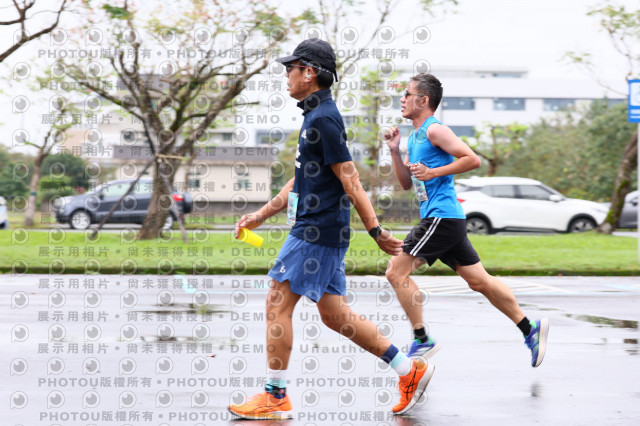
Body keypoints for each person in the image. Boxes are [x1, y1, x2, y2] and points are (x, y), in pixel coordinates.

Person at [227, 39, 432, 420]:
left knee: (276, 303)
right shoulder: (314, 117)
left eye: (291, 68)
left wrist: (375, 230)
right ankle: (409, 369)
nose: (286, 75)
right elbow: (302, 181)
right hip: (322, 229)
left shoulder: (323, 119)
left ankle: (275, 396)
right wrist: (259, 216)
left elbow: (350, 179)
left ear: (309, 72)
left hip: (316, 230)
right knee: (335, 315)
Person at [383, 73, 549, 370]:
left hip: (441, 217)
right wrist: (395, 151)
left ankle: (422, 338)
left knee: (396, 271)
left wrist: (434, 173)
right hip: (446, 219)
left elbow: (472, 159)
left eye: (407, 94)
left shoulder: (435, 130)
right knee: (479, 281)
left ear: (423, 100)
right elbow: (407, 183)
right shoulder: (415, 136)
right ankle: (529, 328)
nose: (402, 98)